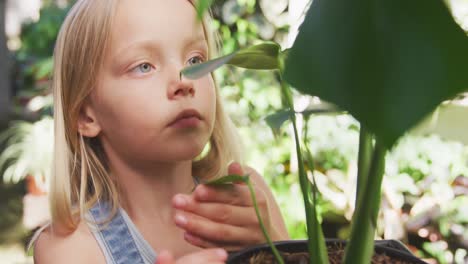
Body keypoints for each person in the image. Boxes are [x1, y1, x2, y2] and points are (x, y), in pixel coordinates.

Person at [31, 0, 289, 263]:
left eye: (196, 59)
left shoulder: (248, 195)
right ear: (86, 115)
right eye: (144, 66)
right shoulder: (68, 248)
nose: (184, 81)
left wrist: (275, 244)